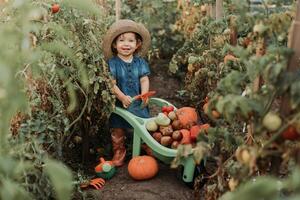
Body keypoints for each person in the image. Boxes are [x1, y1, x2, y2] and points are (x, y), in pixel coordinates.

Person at [102, 19, 152, 167]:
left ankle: (146, 145)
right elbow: (112, 84)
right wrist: (122, 97)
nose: (126, 44)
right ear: (114, 45)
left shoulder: (140, 62)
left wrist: (144, 94)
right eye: (121, 40)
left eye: (131, 41)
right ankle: (119, 151)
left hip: (137, 102)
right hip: (120, 103)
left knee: (144, 125)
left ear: (137, 44)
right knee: (118, 128)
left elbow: (144, 79)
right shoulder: (113, 63)